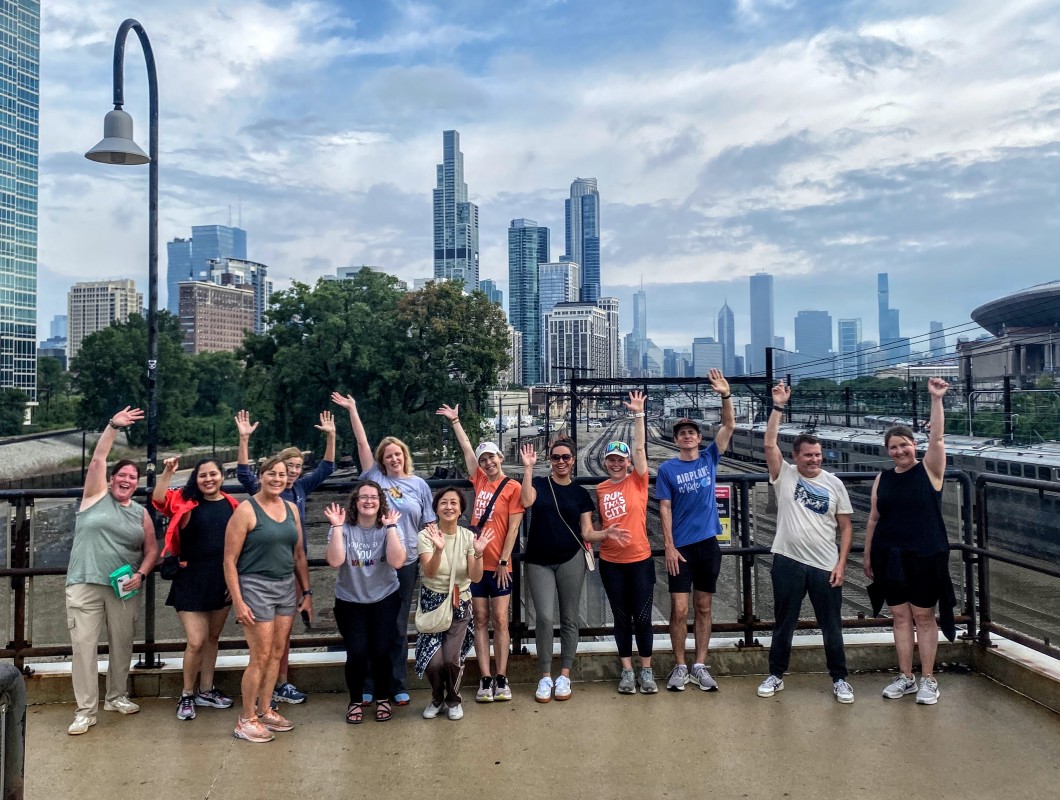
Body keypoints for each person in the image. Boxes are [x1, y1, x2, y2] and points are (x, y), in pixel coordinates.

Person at [332, 392, 436, 707]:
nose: (393, 459)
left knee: (397, 626)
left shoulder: (419, 485)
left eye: (397, 454)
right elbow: (362, 443)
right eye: (388, 455)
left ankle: (395, 683)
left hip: (406, 560)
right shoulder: (374, 478)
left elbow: (429, 525)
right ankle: (367, 685)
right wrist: (353, 409)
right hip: (373, 560)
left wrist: (436, 558)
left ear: (405, 456)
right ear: (381, 460)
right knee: (366, 628)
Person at [756, 381, 855, 704]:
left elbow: (846, 527)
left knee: (832, 625)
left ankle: (839, 679)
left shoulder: (834, 484)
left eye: (818, 455)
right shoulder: (784, 475)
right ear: (795, 456)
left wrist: (841, 564)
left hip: (825, 565)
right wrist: (778, 406)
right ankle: (776, 675)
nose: (814, 460)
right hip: (787, 560)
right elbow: (769, 443)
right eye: (808, 455)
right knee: (784, 623)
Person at [65, 407, 159, 735]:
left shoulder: (141, 513)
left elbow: (152, 550)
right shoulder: (94, 497)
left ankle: (116, 696)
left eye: (133, 478)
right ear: (111, 479)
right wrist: (112, 427)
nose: (127, 480)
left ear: (136, 485)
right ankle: (85, 711)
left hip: (123, 586)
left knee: (122, 644)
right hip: (84, 583)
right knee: (84, 648)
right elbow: (97, 460)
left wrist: (141, 574)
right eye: (122, 475)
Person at [864, 377, 956, 706]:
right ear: (887, 451)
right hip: (890, 557)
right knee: (900, 618)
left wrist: (936, 399)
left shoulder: (930, 470)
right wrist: (868, 555)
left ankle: (929, 678)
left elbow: (938, 438)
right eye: (893, 447)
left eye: (904, 445)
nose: (900, 451)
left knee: (924, 617)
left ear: (914, 445)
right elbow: (874, 518)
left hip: (925, 555)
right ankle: (906, 677)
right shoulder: (883, 478)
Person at [235, 409, 336, 705]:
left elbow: (327, 467)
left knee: (284, 632)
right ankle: (260, 695)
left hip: (291, 565)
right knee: (263, 639)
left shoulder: (301, 488)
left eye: (296, 467)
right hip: (262, 570)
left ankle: (279, 683)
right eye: (287, 467)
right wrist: (244, 440)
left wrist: (331, 436)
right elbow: (243, 474)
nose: (291, 472)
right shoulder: (263, 491)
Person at [520, 438, 628, 704]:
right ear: (550, 460)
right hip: (539, 559)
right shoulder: (539, 484)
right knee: (544, 617)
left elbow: (587, 532)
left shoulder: (580, 494)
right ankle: (545, 675)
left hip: (571, 557)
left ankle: (565, 674)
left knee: (569, 617)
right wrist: (528, 468)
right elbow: (525, 501)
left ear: (573, 460)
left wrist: (606, 533)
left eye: (565, 457)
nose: (560, 462)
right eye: (555, 457)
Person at [435, 403, 524, 703]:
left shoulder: (512, 487)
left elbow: (513, 528)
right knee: (481, 619)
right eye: (483, 459)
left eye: (491, 457)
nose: (487, 463)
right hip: (475, 562)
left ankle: (502, 676)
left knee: (501, 619)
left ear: (501, 458)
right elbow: (466, 449)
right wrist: (455, 421)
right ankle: (485, 678)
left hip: (500, 563)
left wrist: (504, 560)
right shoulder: (480, 479)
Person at [655, 368, 735, 692]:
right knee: (679, 608)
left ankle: (700, 665)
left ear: (699, 438)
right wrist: (669, 546)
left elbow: (728, 426)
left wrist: (725, 395)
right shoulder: (667, 469)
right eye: (682, 433)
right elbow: (664, 508)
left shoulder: (709, 458)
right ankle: (679, 665)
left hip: (708, 545)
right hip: (681, 549)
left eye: (691, 432)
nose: (687, 436)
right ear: (675, 440)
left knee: (703, 606)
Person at [224, 455, 313, 743]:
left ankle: (264, 709)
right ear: (260, 476)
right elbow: (229, 560)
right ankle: (246, 718)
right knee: (260, 655)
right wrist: (238, 601)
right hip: (255, 586)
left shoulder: (291, 509)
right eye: (271, 474)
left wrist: (307, 592)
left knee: (276, 652)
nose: (277, 479)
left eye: (282, 474)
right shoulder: (245, 510)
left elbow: (298, 554)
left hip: (285, 586)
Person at [152, 456, 240, 720]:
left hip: (221, 579)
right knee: (196, 640)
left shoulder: (232, 505)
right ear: (196, 479)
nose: (208, 479)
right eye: (203, 475)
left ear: (222, 476)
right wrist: (168, 472)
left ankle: (206, 689)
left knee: (213, 637)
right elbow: (158, 500)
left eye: (213, 474)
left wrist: (235, 583)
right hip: (190, 579)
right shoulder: (185, 501)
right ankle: (187, 693)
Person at [324, 482, 406, 724]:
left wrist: (391, 528)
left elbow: (397, 562)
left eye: (373, 497)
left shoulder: (389, 526)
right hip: (350, 599)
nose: (368, 501)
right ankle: (355, 701)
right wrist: (336, 527)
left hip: (384, 597)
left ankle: (383, 697)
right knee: (357, 652)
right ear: (355, 501)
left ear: (380, 502)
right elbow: (335, 561)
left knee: (381, 650)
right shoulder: (344, 528)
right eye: (363, 497)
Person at [595, 391, 657, 695]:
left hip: (640, 559)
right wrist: (603, 534)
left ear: (629, 463)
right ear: (606, 463)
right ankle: (627, 671)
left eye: (621, 460)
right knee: (620, 618)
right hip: (611, 562)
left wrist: (638, 415)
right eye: (612, 460)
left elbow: (641, 447)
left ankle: (646, 669)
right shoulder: (601, 489)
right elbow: (599, 525)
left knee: (643, 617)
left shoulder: (638, 480)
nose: (616, 464)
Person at [415, 488, 492, 721]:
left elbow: (475, 577)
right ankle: (437, 697)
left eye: (454, 503)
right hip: (432, 603)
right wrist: (439, 549)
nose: (448, 507)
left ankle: (453, 699)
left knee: (451, 659)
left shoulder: (468, 537)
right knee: (434, 662)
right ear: (436, 508)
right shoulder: (426, 535)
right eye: (444, 503)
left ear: (460, 510)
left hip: (460, 603)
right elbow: (430, 572)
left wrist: (479, 554)